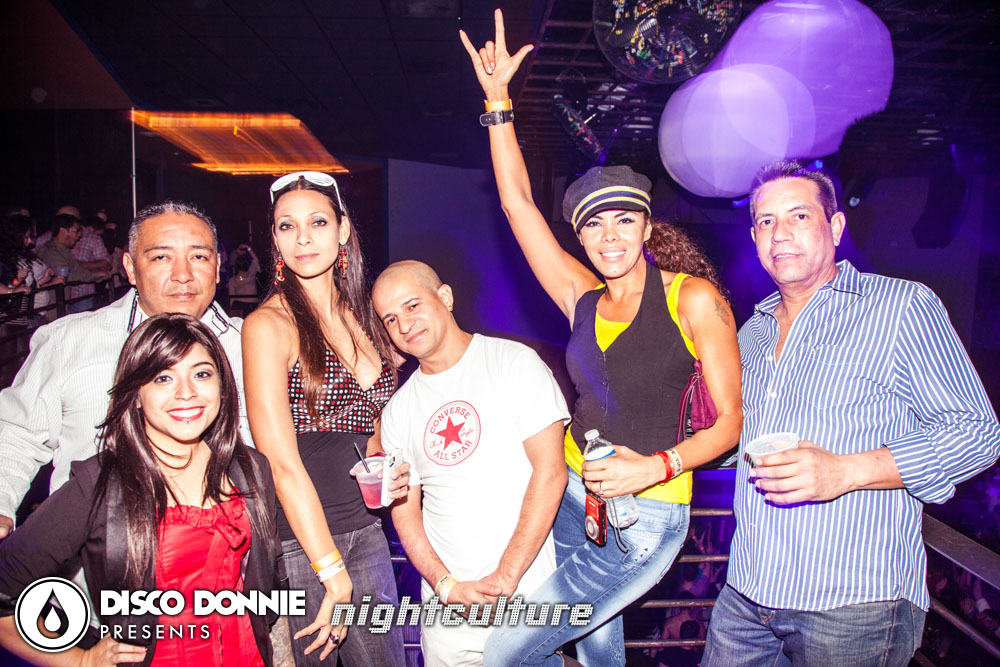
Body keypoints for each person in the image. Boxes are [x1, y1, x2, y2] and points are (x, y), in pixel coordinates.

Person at [460, 10, 743, 666]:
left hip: (647, 514)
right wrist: (498, 103)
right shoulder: (581, 298)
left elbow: (731, 423)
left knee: (504, 651)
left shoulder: (692, 298)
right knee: (594, 650)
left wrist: (655, 466)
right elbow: (518, 206)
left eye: (623, 221)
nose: (609, 236)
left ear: (646, 227)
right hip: (573, 495)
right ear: (581, 237)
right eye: (594, 225)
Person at [701, 160, 1000, 666]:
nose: (780, 233)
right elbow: (739, 445)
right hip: (748, 593)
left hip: (853, 604)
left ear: (835, 227)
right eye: (766, 221)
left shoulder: (900, 307)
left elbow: (977, 433)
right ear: (754, 238)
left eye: (799, 216)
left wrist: (845, 471)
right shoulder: (751, 332)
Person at [0, 313, 281, 665]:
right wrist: (78, 660)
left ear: (223, 386)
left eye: (201, 374)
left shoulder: (250, 469)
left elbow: (268, 580)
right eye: (163, 377)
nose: (186, 392)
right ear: (135, 395)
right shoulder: (100, 484)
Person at [0, 200, 252, 539]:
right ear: (130, 268)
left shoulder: (248, 346)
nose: (183, 274)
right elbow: (17, 433)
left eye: (198, 257)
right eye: (161, 257)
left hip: (225, 557)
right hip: (93, 558)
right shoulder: (72, 341)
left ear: (218, 267)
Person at [242, 171, 407, 666]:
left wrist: (387, 467)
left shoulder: (364, 316)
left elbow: (373, 424)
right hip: (303, 546)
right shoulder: (268, 325)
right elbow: (280, 463)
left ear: (343, 230)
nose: (303, 238)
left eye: (317, 222)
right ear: (275, 240)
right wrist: (330, 570)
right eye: (286, 226)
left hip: (368, 530)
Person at [373, 260, 570, 666]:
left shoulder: (514, 363)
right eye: (390, 319)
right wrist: (446, 586)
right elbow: (405, 511)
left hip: (526, 601)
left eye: (412, 305)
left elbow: (551, 474)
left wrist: (505, 578)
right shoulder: (397, 411)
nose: (404, 324)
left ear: (444, 297)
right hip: (449, 617)